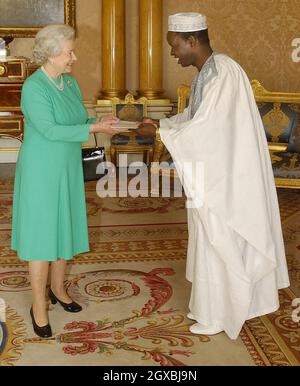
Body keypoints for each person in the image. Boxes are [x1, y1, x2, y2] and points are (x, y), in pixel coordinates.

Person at [137, 13, 290, 340]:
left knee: (220, 240)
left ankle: (224, 310)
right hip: (213, 172)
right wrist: (163, 126)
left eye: (175, 46)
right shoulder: (209, 72)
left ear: (192, 40)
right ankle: (212, 307)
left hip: (225, 179)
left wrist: (162, 132)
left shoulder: (223, 72)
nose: (173, 54)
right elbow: (197, 119)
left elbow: (208, 130)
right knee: (210, 240)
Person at [11, 24, 123, 338]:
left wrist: (99, 124)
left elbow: (75, 122)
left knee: (64, 229)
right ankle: (38, 306)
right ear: (50, 53)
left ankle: (58, 291)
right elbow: (49, 130)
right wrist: (89, 129)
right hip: (41, 171)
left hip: (68, 167)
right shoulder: (34, 87)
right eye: (68, 52)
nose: (73, 57)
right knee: (42, 238)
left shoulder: (69, 84)